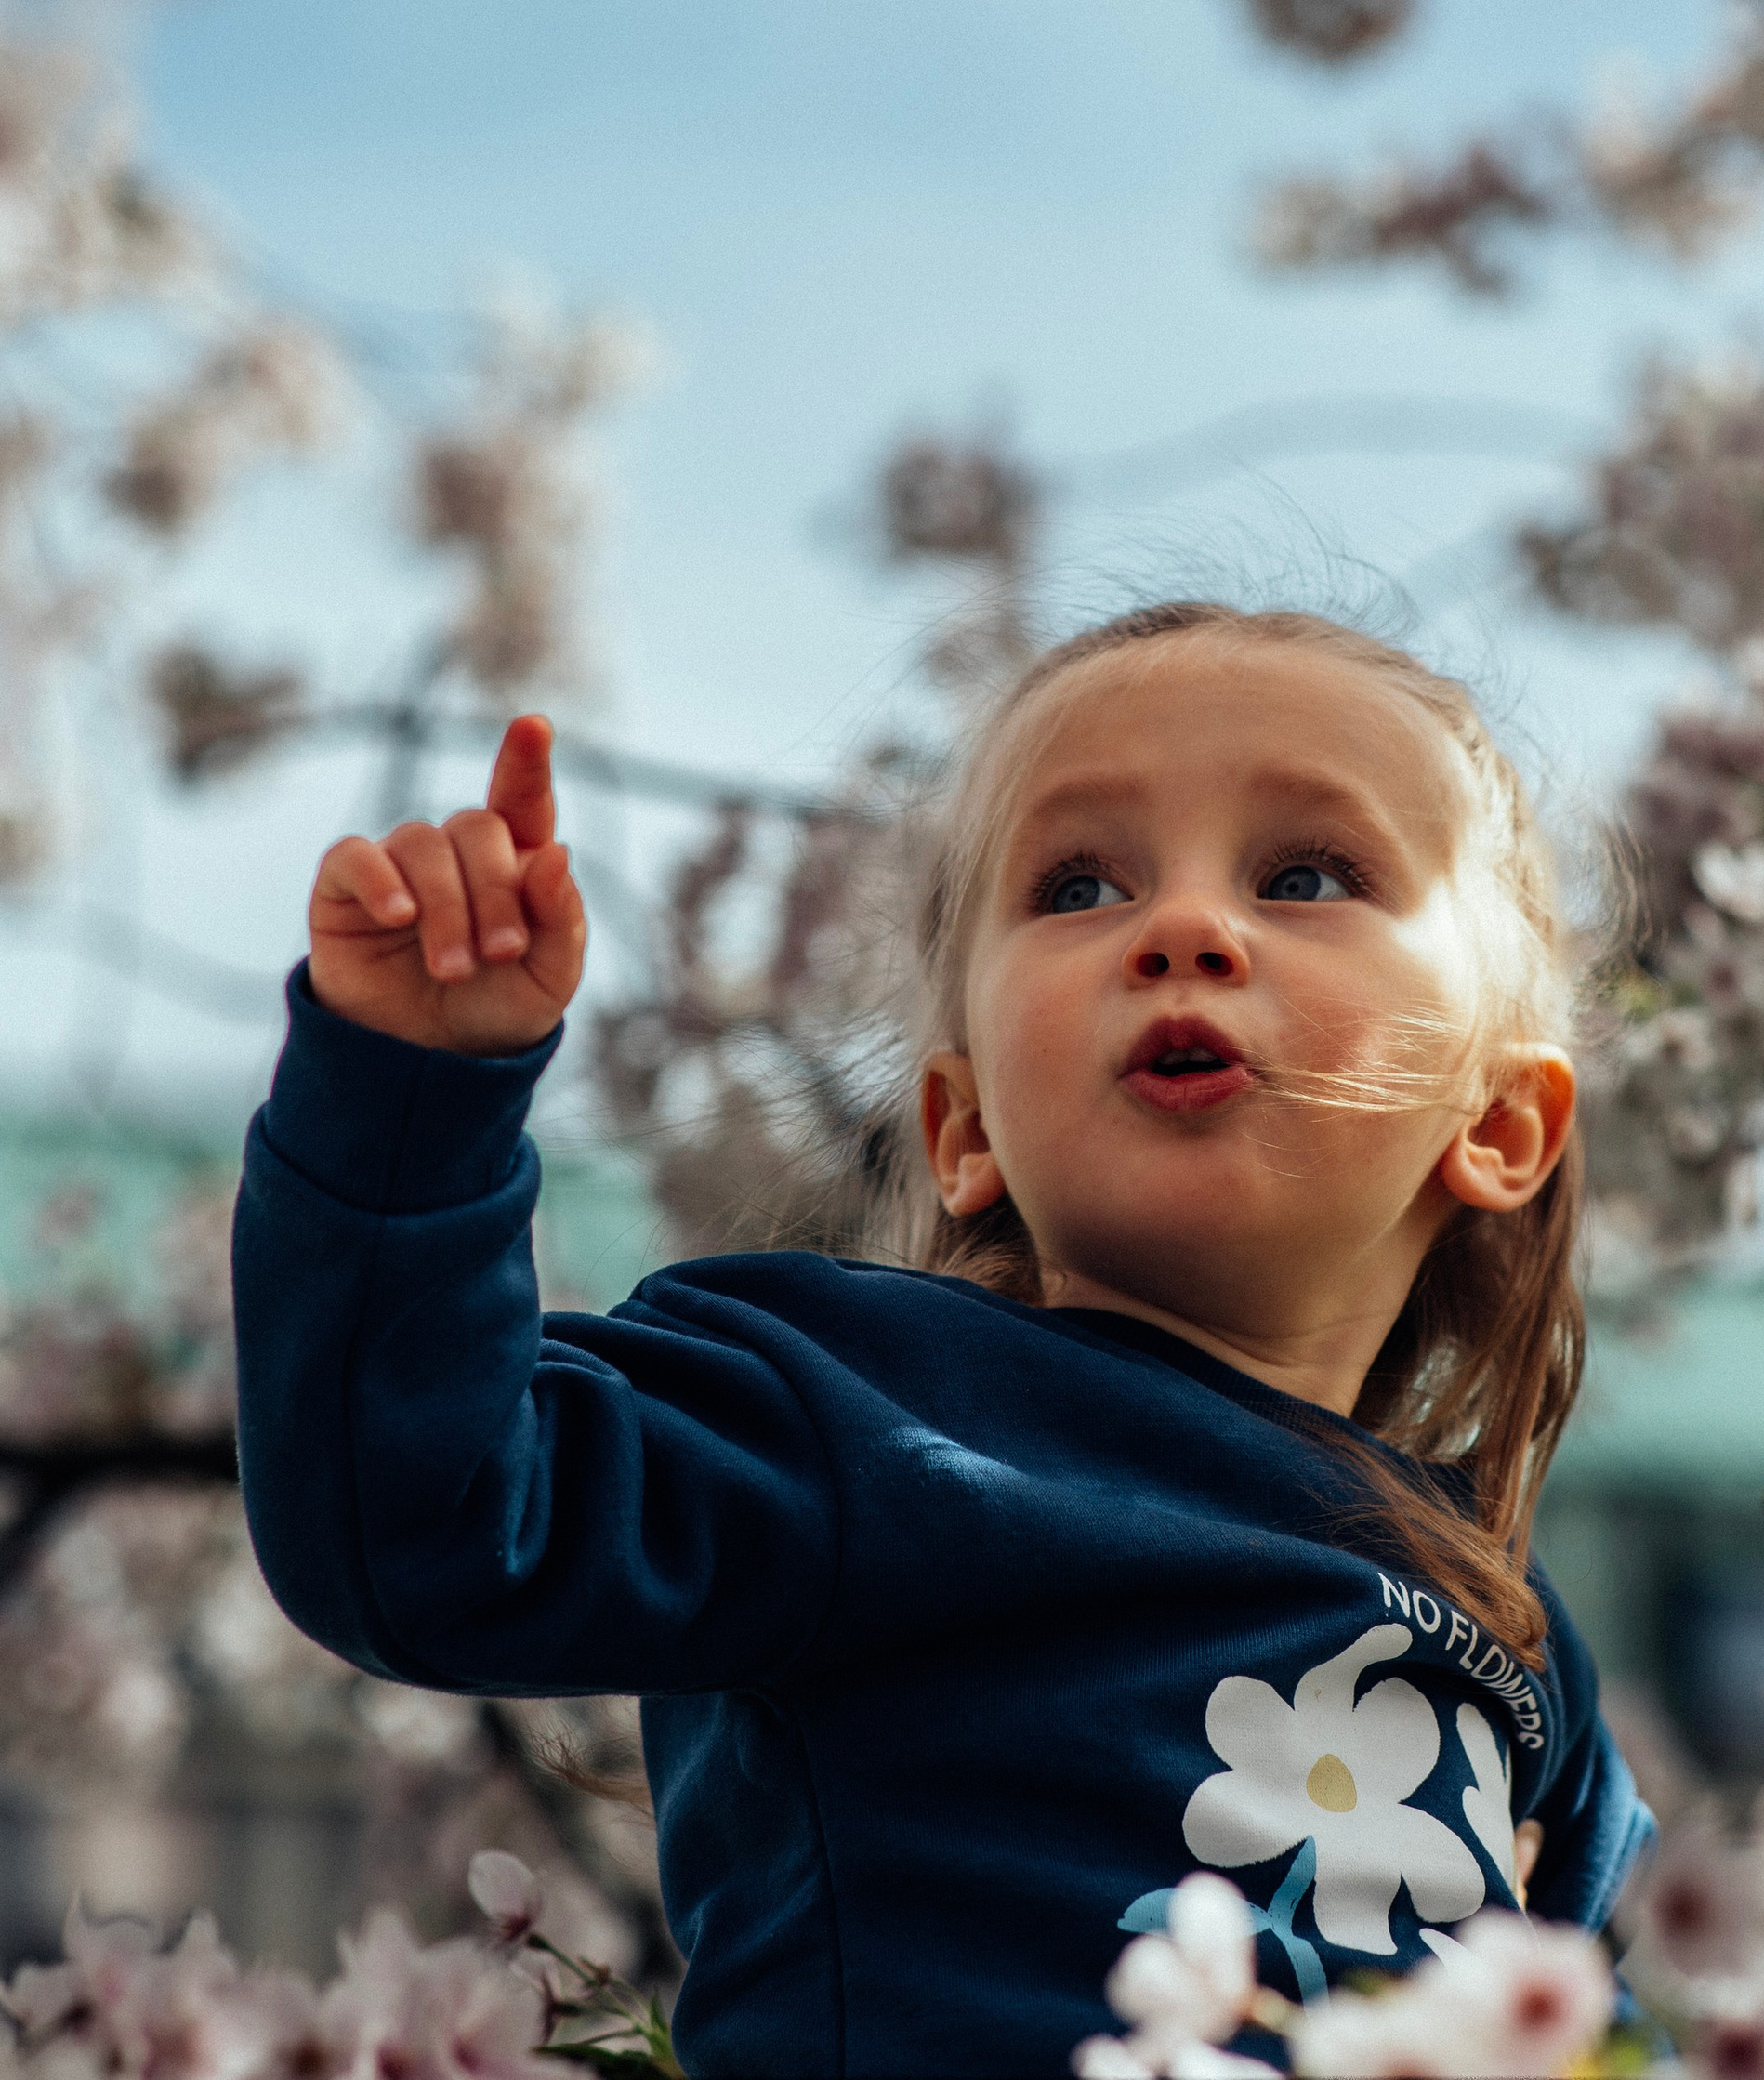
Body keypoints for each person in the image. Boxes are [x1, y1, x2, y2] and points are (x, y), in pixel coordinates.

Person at [230, 601, 1655, 2077]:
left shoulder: (1500, 1613)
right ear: (965, 1128)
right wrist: (408, 1096)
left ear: (1498, 1124)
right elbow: (432, 1524)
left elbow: (1603, 2028)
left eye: (1307, 874)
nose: (1183, 929)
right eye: (1080, 884)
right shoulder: (854, 1408)